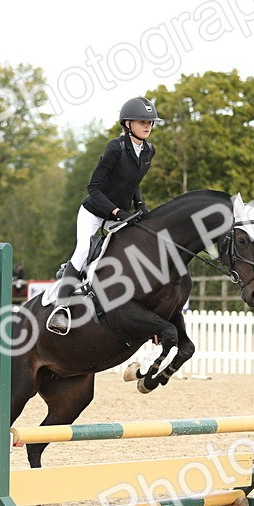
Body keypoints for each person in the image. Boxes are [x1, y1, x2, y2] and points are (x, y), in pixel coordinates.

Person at [47, 97, 160, 334]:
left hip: (119, 215)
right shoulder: (115, 148)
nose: (148, 126)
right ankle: (60, 308)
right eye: (142, 121)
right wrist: (116, 211)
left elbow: (133, 183)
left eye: (150, 122)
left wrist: (140, 204)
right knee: (83, 250)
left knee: (135, 246)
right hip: (94, 212)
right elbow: (94, 188)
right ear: (128, 124)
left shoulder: (149, 151)